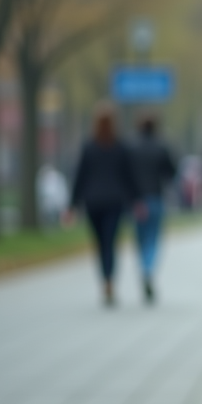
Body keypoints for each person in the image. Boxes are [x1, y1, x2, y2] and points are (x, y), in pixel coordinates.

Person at [68, 103, 142, 307]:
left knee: (100, 243)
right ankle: (110, 280)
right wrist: (137, 200)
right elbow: (130, 177)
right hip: (115, 201)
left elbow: (80, 177)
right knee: (111, 242)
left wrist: (72, 205)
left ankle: (105, 279)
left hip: (93, 202)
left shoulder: (89, 147)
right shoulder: (121, 146)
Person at [131, 113, 177, 303]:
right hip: (155, 197)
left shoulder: (131, 148)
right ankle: (148, 269)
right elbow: (172, 172)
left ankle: (143, 267)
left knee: (140, 238)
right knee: (153, 238)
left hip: (136, 201)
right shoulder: (162, 146)